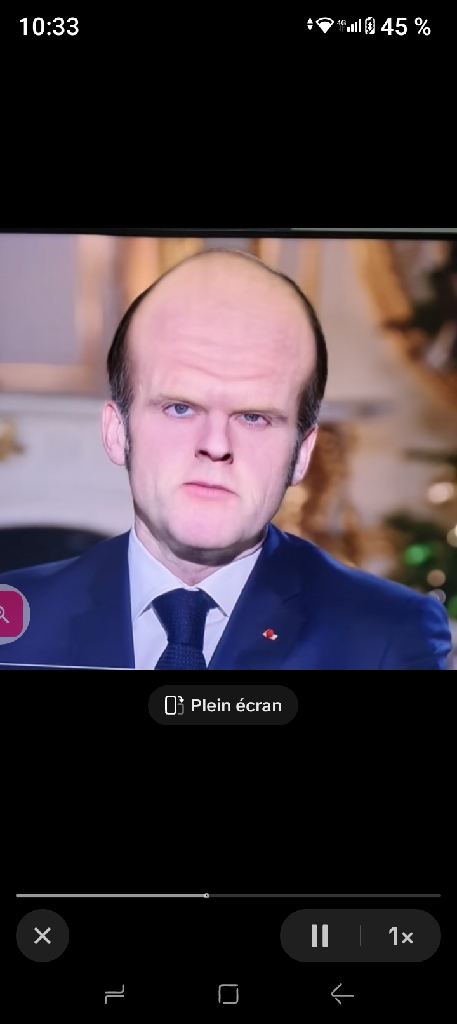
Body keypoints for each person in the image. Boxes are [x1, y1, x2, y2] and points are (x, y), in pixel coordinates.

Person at [0, 250, 452, 670]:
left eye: (254, 417)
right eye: (180, 408)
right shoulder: (14, 624)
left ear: (302, 453)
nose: (216, 444)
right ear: (117, 432)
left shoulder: (387, 636)